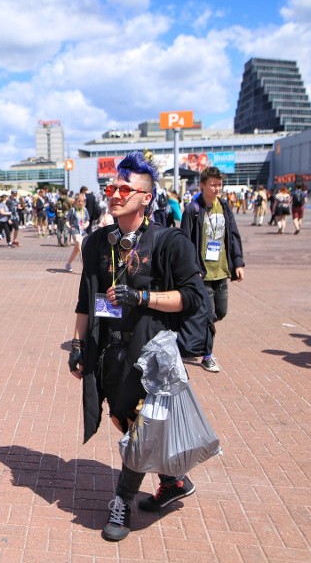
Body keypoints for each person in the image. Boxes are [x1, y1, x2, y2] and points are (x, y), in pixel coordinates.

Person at [69, 151, 207, 542]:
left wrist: (142, 297)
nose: (114, 193)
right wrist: (78, 344)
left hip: (152, 353)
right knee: (123, 420)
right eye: (112, 186)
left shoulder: (168, 241)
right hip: (109, 350)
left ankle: (122, 500)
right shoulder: (98, 242)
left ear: (146, 197)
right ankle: (173, 483)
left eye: (125, 188)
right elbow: (86, 298)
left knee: (144, 427)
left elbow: (193, 296)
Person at [180, 166, 245, 373]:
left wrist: (239, 263)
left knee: (220, 312)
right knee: (208, 314)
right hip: (202, 272)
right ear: (202, 185)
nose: (217, 188)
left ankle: (195, 325)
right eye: (213, 185)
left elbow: (233, 236)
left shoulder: (224, 206)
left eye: (219, 184)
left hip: (222, 269)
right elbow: (185, 241)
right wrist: (191, 268)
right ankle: (207, 355)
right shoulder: (192, 209)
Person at [64, 193, 90, 272]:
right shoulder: (72, 210)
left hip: (83, 231)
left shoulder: (85, 210)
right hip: (75, 230)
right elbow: (67, 221)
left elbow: (87, 220)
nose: (81, 203)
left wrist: (85, 225)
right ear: (75, 201)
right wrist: (69, 227)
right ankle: (85, 267)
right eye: (79, 201)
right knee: (81, 247)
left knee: (76, 249)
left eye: (82, 201)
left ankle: (68, 264)